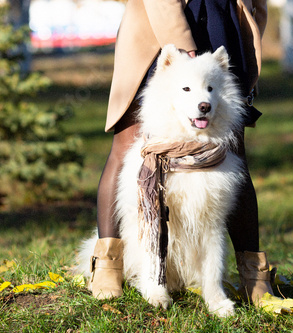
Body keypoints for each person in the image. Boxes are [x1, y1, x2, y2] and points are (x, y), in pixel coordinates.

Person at [90, 0, 274, 306]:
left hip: (223, 19)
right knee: (128, 145)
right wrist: (184, 48)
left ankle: (254, 275)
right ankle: (108, 264)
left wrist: (250, 27)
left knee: (232, 151)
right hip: (158, 25)